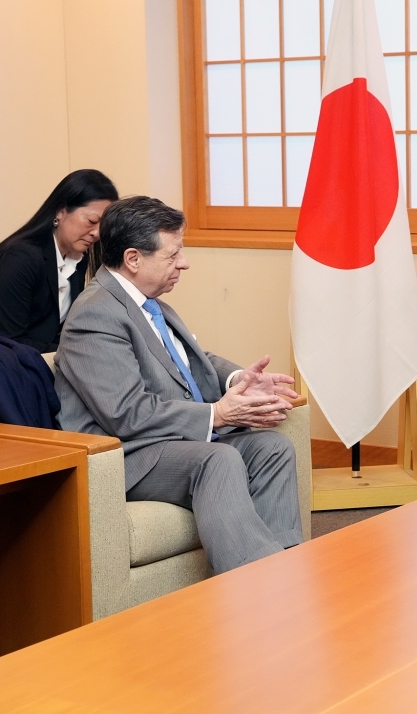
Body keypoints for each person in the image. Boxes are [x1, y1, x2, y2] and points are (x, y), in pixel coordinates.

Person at [54, 196, 302, 573]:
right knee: (217, 459)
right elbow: (127, 414)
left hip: (167, 441)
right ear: (134, 259)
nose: (183, 262)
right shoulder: (95, 315)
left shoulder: (149, 301)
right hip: (128, 453)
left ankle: (284, 566)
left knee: (272, 447)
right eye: (173, 255)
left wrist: (240, 379)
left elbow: (190, 358)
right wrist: (217, 414)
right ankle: (259, 587)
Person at [0, 169, 119, 352]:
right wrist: (74, 349)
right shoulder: (19, 259)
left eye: (104, 226)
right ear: (61, 211)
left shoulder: (77, 259)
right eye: (92, 221)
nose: (97, 233)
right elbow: (11, 342)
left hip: (33, 360)